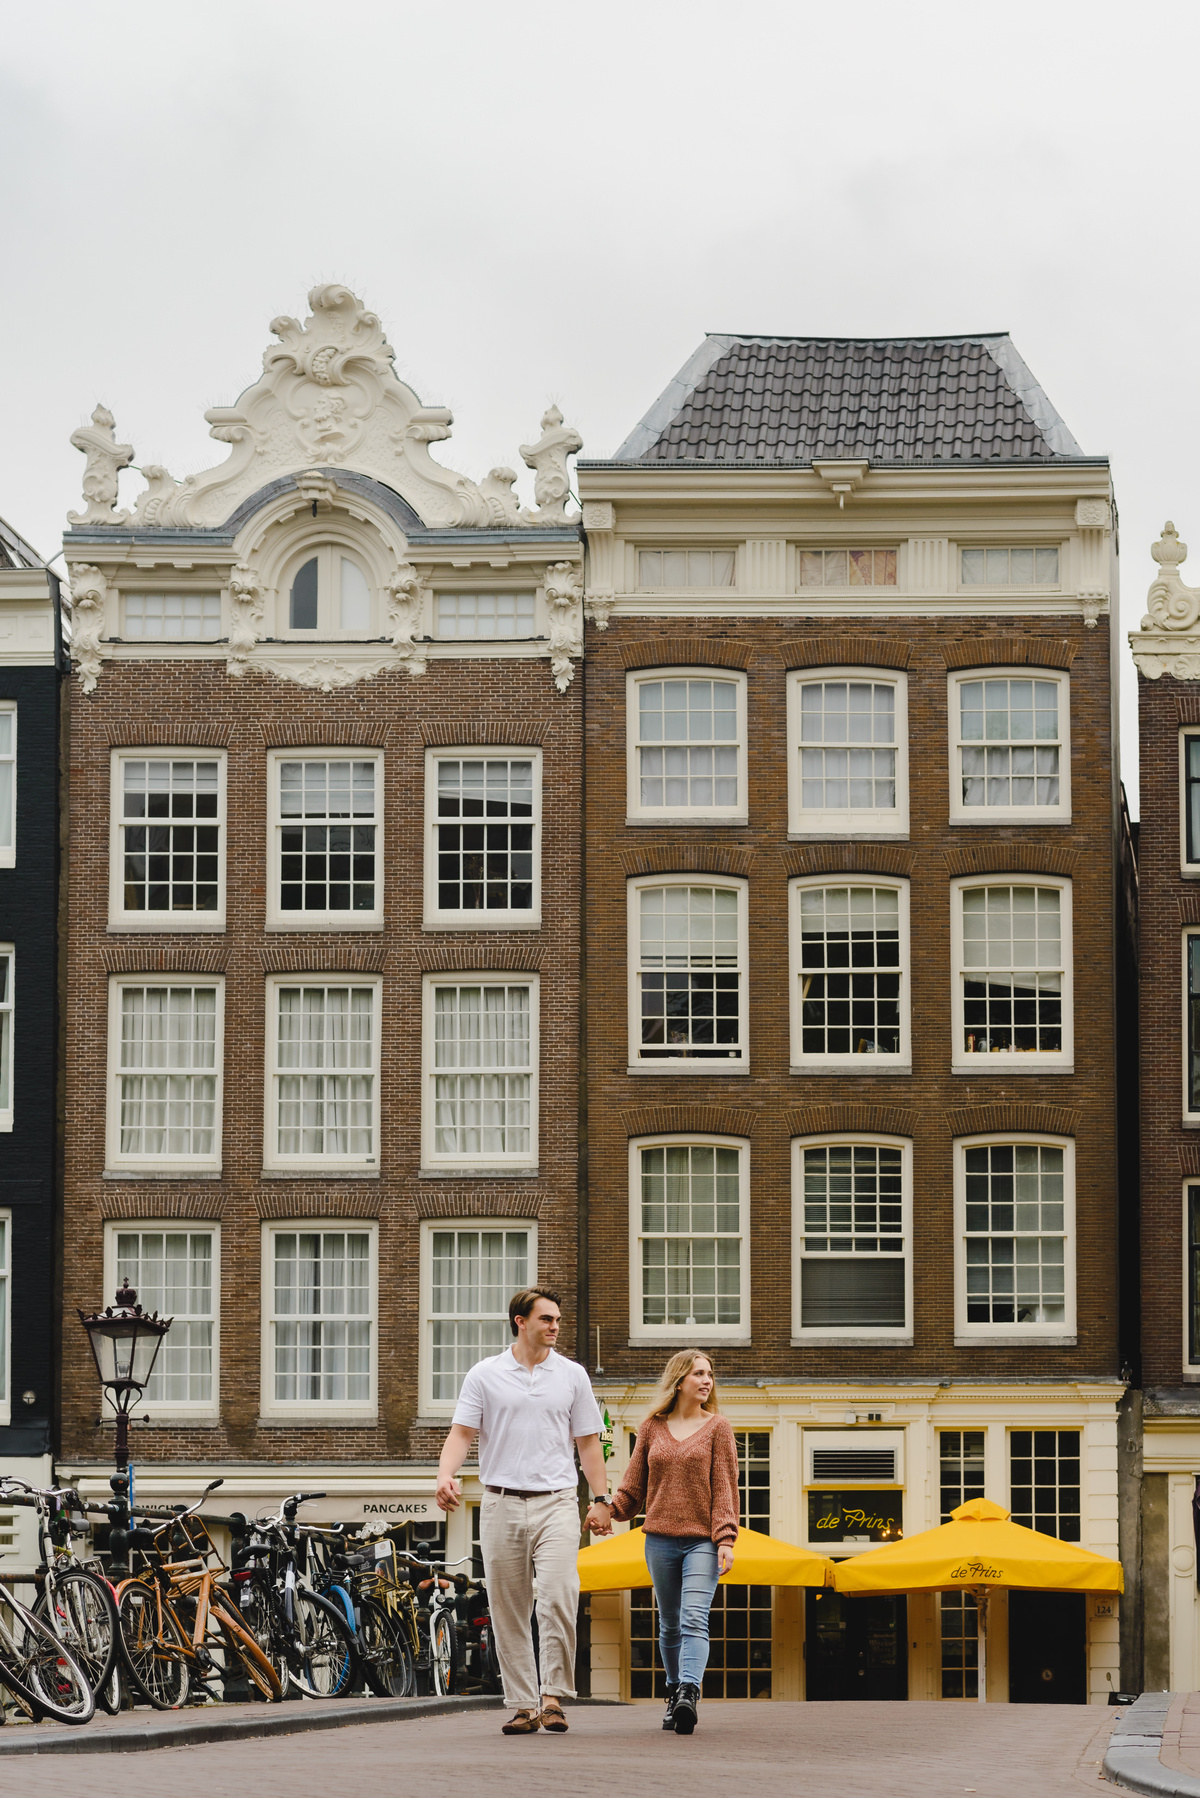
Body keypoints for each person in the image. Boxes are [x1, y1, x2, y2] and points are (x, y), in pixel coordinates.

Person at [436, 1286, 609, 1736]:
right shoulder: (485, 1374)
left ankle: (552, 1697)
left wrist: (602, 1499)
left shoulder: (572, 1375)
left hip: (557, 1501)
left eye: (558, 1320)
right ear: (521, 1321)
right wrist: (445, 1474)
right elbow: (461, 1433)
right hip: (499, 1501)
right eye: (547, 1319)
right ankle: (522, 1704)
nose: (555, 1327)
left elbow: (589, 1442)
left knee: (557, 1594)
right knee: (508, 1607)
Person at [585, 1351, 738, 1735]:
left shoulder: (719, 1428)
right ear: (679, 1380)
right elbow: (634, 1487)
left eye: (710, 1374)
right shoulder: (652, 1427)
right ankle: (673, 1691)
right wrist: (609, 1509)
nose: (707, 1381)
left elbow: (725, 1488)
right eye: (699, 1374)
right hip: (659, 1540)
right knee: (669, 1623)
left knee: (693, 1618)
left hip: (702, 1541)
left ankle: (689, 1691)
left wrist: (725, 1538)